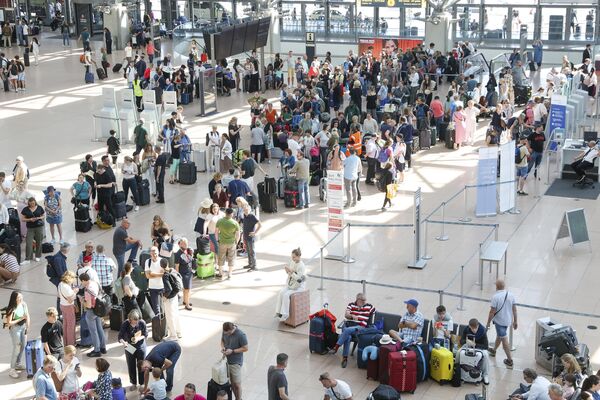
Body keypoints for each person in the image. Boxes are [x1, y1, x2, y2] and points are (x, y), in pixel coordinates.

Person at [331, 292, 376, 368]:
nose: (364, 302)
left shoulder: (369, 306)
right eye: (362, 300)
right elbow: (346, 314)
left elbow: (376, 313)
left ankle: (336, 347)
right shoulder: (351, 305)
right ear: (357, 300)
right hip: (350, 324)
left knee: (347, 330)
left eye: (365, 300)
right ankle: (345, 358)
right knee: (347, 337)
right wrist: (352, 316)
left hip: (360, 327)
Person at [486, 279, 518, 368]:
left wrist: (488, 323)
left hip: (499, 322)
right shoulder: (511, 295)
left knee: (504, 340)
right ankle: (494, 350)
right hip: (508, 321)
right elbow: (514, 309)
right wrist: (515, 321)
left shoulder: (495, 297)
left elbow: (492, 312)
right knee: (499, 336)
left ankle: (509, 360)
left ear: (496, 287)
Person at [118, 309, 148, 391]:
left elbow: (145, 334)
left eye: (137, 321)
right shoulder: (125, 324)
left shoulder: (142, 323)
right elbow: (120, 337)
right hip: (129, 346)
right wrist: (124, 343)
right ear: (130, 319)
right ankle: (133, 383)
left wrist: (139, 338)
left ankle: (141, 383)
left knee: (141, 365)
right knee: (131, 365)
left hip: (140, 346)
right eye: (134, 321)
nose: (135, 323)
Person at [275, 248, 307, 322]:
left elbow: (298, 279)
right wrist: (288, 271)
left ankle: (285, 314)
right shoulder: (293, 262)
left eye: (294, 257)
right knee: (281, 292)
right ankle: (278, 312)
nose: (292, 259)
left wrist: (291, 272)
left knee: (286, 295)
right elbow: (291, 273)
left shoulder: (301, 266)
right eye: (292, 257)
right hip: (291, 284)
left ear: (299, 256)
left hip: (298, 287)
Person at [80, 272, 106, 357]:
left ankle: (97, 350)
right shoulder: (95, 283)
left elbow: (88, 305)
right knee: (100, 329)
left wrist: (82, 300)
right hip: (99, 309)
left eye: (81, 282)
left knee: (93, 331)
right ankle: (103, 347)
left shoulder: (87, 290)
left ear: (84, 280)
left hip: (91, 311)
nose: (81, 283)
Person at [5, 290, 30, 378]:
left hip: (23, 327)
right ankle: (12, 369)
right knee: (17, 347)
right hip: (15, 329)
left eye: (21, 297)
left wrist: (27, 326)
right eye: (19, 297)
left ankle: (17, 363)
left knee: (23, 345)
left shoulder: (23, 304)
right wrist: (20, 319)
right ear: (14, 299)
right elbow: (9, 323)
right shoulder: (11, 308)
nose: (21, 298)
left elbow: (27, 315)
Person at [221, 322, 249, 400]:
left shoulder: (241, 335)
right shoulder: (225, 331)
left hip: (236, 362)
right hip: (226, 360)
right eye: (225, 333)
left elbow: (245, 348)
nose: (227, 334)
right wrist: (223, 348)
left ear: (232, 329)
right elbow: (222, 341)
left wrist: (232, 351)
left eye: (228, 333)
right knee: (231, 383)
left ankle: (239, 398)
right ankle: (237, 397)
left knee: (237, 383)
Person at [216, 208, 240, 280]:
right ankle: (230, 274)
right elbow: (237, 234)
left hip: (222, 242)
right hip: (231, 242)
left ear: (225, 213)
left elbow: (216, 232)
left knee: (221, 257)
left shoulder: (220, 221)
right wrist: (236, 242)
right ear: (232, 214)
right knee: (231, 257)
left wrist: (218, 240)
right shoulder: (235, 223)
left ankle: (220, 273)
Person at [161, 258, 182, 340]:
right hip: (175, 296)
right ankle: (178, 332)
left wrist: (165, 297)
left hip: (170, 298)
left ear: (161, 266)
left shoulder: (165, 275)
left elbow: (168, 289)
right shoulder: (173, 271)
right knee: (176, 314)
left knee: (170, 317)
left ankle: (173, 335)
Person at [20, 196, 44, 264]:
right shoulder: (25, 209)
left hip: (39, 227)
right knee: (28, 242)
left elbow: (43, 215)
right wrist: (29, 219)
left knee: (39, 241)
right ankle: (28, 258)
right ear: (29, 203)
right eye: (31, 204)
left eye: (33, 203)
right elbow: (22, 219)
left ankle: (38, 256)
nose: (32, 205)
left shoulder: (39, 207)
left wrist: (38, 218)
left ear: (35, 202)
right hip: (30, 228)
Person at [58, 270, 77, 346]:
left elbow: (59, 295)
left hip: (62, 305)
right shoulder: (66, 287)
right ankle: (71, 344)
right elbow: (70, 300)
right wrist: (75, 292)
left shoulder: (60, 284)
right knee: (71, 326)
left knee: (65, 325)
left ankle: (66, 343)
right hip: (68, 307)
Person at [174, 238, 194, 310]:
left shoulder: (187, 251)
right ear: (180, 244)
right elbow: (177, 266)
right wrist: (177, 276)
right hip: (184, 274)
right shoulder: (178, 254)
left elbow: (191, 259)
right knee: (187, 289)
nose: (186, 245)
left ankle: (185, 301)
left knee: (186, 289)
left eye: (186, 243)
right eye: (184, 243)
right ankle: (187, 304)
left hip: (189, 272)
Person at [145, 246, 165, 314]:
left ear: (158, 253)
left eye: (156, 253)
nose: (154, 255)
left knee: (163, 306)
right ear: (150, 254)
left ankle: (164, 322)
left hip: (162, 287)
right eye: (153, 254)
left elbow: (164, 274)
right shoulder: (147, 262)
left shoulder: (162, 261)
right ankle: (158, 322)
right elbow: (147, 276)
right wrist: (158, 275)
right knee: (156, 308)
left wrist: (152, 273)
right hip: (152, 287)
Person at [241, 205, 260, 272]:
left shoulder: (252, 216)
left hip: (250, 238)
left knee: (252, 252)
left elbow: (260, 225)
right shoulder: (244, 215)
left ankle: (254, 266)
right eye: (244, 210)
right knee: (248, 251)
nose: (245, 211)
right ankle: (250, 264)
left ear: (249, 210)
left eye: (247, 210)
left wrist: (254, 232)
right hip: (246, 236)